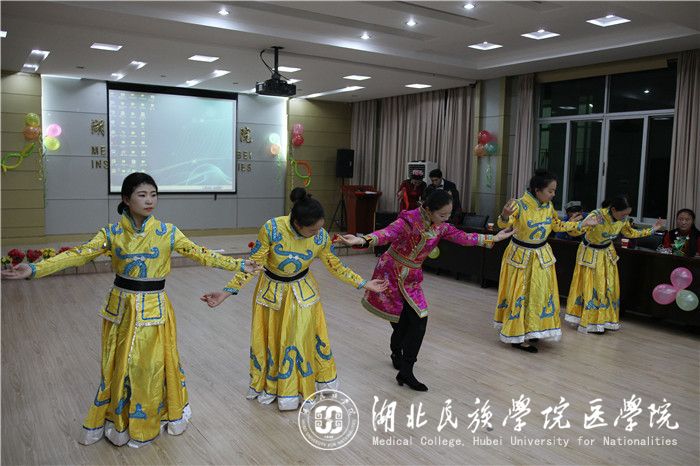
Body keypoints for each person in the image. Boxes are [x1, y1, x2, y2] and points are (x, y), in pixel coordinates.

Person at [1, 172, 261, 448]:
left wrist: (239, 265)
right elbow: (78, 255)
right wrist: (34, 269)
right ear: (126, 199)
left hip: (154, 308)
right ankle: (119, 420)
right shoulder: (111, 234)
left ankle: (151, 418)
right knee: (120, 364)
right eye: (142, 195)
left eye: (154, 195)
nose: (150, 201)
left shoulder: (168, 232)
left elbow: (202, 254)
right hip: (121, 308)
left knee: (150, 365)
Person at [201, 187, 387, 411]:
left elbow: (334, 265)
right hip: (272, 295)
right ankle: (277, 386)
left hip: (304, 294)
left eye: (320, 227)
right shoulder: (272, 229)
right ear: (297, 224)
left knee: (301, 339)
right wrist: (226, 292)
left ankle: (301, 388)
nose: (318, 233)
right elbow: (253, 266)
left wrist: (363, 283)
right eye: (313, 229)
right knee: (275, 340)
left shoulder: (319, 236)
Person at [335, 190, 514, 391]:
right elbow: (385, 234)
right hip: (391, 272)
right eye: (442, 215)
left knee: (419, 320)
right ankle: (396, 352)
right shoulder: (408, 221)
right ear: (428, 210)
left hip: (412, 278)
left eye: (449, 215)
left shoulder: (441, 227)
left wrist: (494, 238)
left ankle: (406, 371)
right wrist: (361, 240)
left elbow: (463, 237)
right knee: (400, 322)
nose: (446, 219)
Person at [493, 170, 600, 353]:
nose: (553, 194)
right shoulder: (519, 205)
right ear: (537, 190)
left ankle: (533, 329)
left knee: (539, 295)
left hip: (541, 256)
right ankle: (518, 335)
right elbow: (504, 224)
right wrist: (504, 215)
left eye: (554, 191)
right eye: (550, 191)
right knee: (521, 295)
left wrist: (582, 224)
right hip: (521, 257)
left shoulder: (548, 207)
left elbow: (558, 226)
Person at [564, 195, 665, 334]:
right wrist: (574, 223)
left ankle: (604, 320)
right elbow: (575, 232)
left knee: (609, 287)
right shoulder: (597, 215)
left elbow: (630, 233)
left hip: (607, 254)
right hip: (591, 254)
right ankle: (590, 321)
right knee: (593, 286)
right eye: (623, 214)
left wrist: (653, 229)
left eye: (627, 214)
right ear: (613, 210)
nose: (625, 217)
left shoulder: (622, 220)